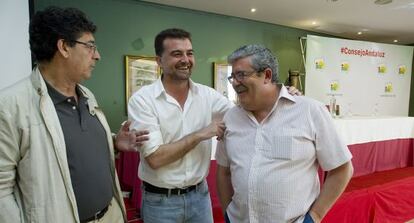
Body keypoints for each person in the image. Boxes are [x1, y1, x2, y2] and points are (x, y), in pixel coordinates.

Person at [0, 6, 148, 223]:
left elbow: (70, 148)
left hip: (111, 215)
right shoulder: (11, 106)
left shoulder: (87, 95)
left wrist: (114, 142)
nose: (97, 55)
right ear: (63, 47)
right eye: (90, 46)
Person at [215, 44, 353, 223]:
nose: (234, 82)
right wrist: (228, 215)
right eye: (232, 76)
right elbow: (223, 172)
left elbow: (342, 169)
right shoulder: (231, 117)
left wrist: (315, 216)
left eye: (241, 75)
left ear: (267, 75)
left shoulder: (310, 111)